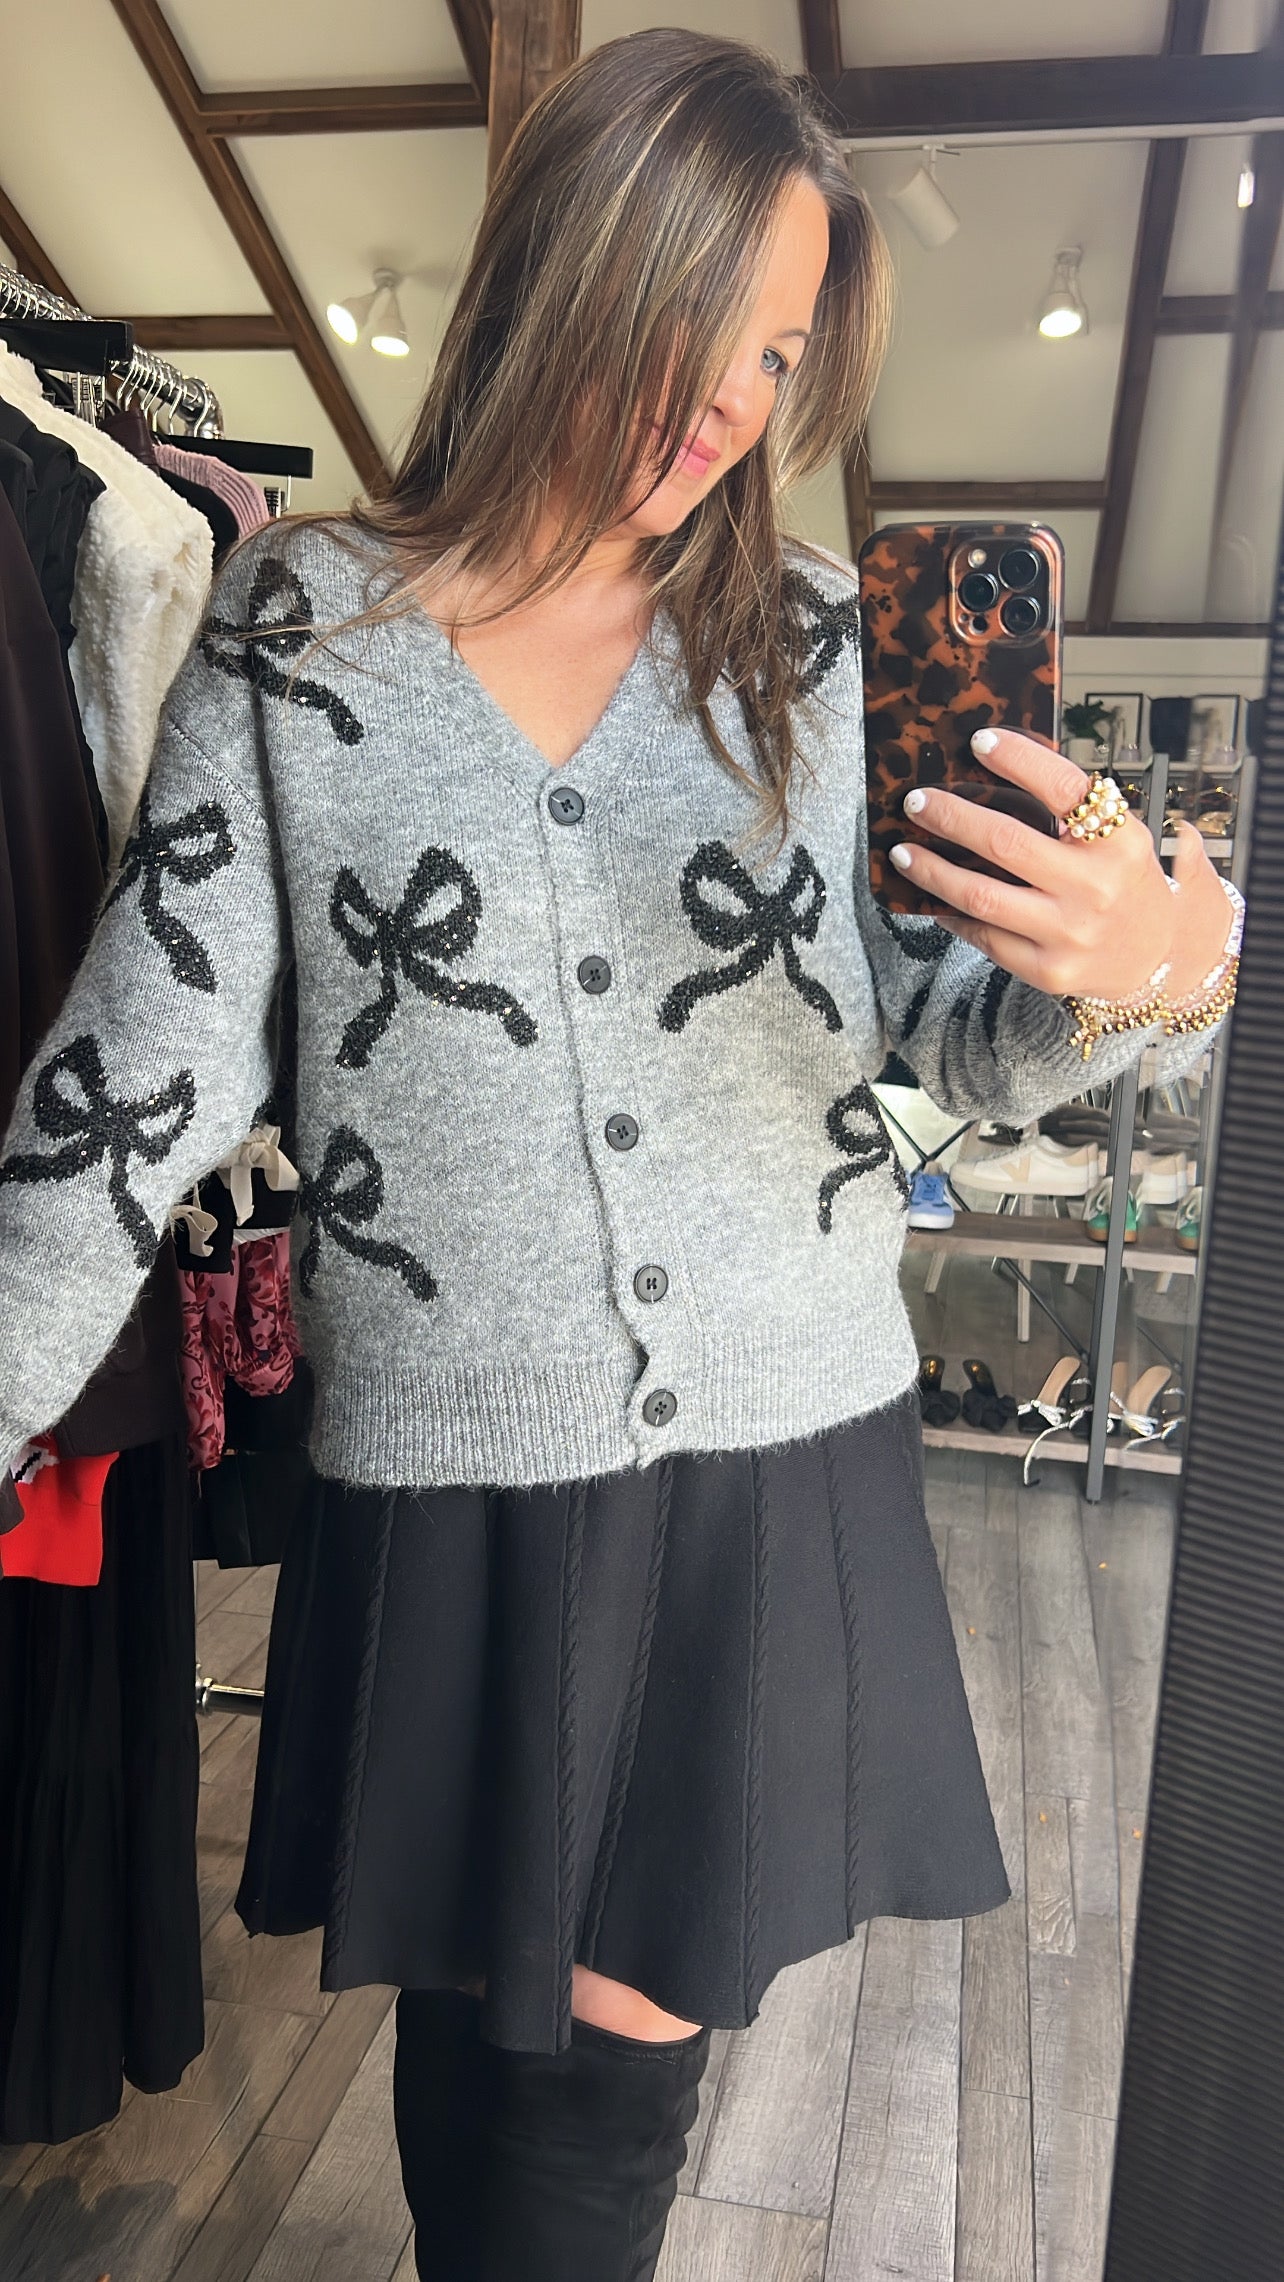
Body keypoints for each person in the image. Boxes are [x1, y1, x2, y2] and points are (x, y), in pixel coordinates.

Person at [0, 28, 1239, 2280]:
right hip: (462, 1483)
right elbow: (127, 1090)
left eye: (780, 350)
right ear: (571, 257)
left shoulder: (813, 652)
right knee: (491, 2047)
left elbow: (946, 1051)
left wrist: (1135, 975)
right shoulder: (306, 631)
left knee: (605, 2078)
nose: (734, 400)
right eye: (705, 317)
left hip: (770, 1466)